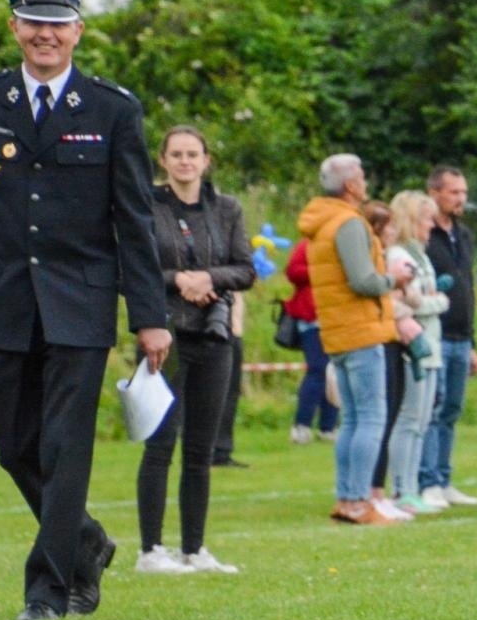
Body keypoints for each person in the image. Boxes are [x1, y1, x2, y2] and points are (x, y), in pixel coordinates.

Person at [0, 0, 170, 620]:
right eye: (33, 22)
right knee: (14, 446)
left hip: (81, 306)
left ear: (78, 32)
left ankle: (49, 588)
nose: (45, 35)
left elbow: (134, 222)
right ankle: (85, 541)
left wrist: (150, 318)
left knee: (66, 447)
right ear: (15, 29)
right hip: (2, 300)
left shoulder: (113, 110)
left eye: (57, 24)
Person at [134, 124, 255, 575]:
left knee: (200, 450)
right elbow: (133, 266)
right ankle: (151, 549)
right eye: (177, 154)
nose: (186, 162)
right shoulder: (146, 206)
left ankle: (194, 548)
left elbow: (244, 269)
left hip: (213, 335)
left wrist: (210, 279)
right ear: (163, 161)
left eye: (193, 154)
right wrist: (177, 280)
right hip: (162, 336)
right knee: (160, 442)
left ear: (206, 161)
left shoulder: (226, 209)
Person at [301, 155, 414, 526]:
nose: (365, 181)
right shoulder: (348, 223)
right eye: (362, 176)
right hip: (361, 331)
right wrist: (393, 280)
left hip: (337, 331)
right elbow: (362, 280)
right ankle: (359, 501)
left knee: (352, 419)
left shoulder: (323, 221)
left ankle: (347, 498)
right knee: (370, 418)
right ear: (351, 185)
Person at [417, 166, 477, 508]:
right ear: (435, 193)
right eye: (454, 192)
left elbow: (467, 287)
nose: (461, 199)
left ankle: (443, 479)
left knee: (451, 410)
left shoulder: (465, 235)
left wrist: (472, 343)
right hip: (432, 335)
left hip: (460, 336)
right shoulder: (424, 235)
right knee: (431, 408)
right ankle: (426, 481)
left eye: (463, 192)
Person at [384, 190, 449, 512]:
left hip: (432, 343)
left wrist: (431, 299)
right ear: (411, 219)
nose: (431, 224)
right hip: (414, 346)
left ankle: (412, 490)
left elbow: (422, 297)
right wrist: (439, 301)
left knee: (422, 422)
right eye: (426, 217)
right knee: (409, 420)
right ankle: (401, 490)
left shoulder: (419, 254)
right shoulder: (399, 255)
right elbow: (412, 299)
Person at [362, 200, 415, 522]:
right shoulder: (372, 263)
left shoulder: (384, 260)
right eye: (388, 227)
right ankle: (369, 492)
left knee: (390, 416)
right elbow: (384, 301)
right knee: (376, 420)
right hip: (379, 341)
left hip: (394, 343)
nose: (394, 233)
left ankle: (378, 492)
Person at [284, 230, 339, 443]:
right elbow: (293, 272)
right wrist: (321, 271)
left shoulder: (345, 244)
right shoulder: (308, 244)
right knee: (317, 369)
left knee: (334, 372)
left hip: (336, 317)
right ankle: (302, 425)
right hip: (311, 317)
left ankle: (328, 426)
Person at [210, 291, 247, 468]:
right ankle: (210, 450)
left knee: (231, 394)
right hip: (218, 329)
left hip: (234, 329)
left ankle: (222, 450)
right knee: (214, 395)